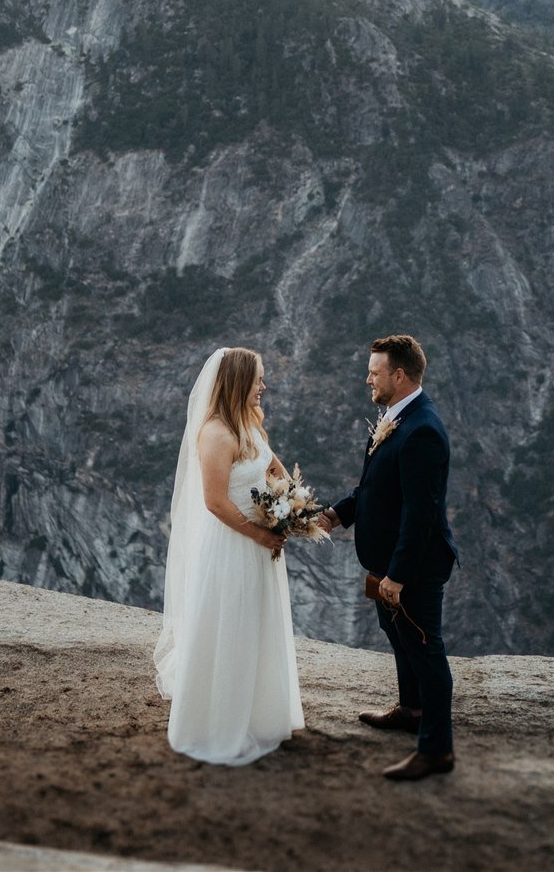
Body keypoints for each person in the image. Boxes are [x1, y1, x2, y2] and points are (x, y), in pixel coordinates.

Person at [315, 334, 459, 780]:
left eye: (374, 372)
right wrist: (336, 514)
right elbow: (375, 489)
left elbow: (421, 515)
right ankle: (412, 710)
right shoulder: (396, 418)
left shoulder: (423, 432)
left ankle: (436, 750)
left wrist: (397, 576)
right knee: (399, 639)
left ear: (398, 375)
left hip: (411, 570)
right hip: (387, 565)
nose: (368, 379)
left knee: (424, 650)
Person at [153, 346, 305, 764]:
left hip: (259, 547)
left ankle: (259, 718)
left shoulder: (251, 428)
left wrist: (290, 508)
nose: (263, 386)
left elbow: (276, 471)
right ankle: (217, 725)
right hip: (231, 549)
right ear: (239, 381)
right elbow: (215, 503)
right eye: (258, 379)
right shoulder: (215, 434)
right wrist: (259, 532)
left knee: (256, 627)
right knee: (230, 629)